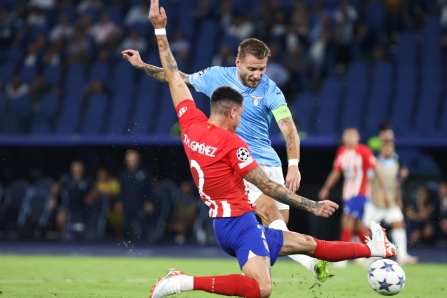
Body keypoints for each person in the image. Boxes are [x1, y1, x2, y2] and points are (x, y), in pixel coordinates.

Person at [143, 4, 396, 297]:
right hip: (240, 224)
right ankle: (181, 282)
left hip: (227, 222)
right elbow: (268, 187)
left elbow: (174, 77)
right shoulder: (233, 145)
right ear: (234, 112)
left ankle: (374, 248)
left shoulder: (190, 125)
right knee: (263, 286)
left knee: (306, 243)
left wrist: (159, 30)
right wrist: (311, 205)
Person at [122, 27, 325, 281]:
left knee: (274, 238)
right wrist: (142, 65)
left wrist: (293, 165)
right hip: (242, 163)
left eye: (262, 69)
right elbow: (177, 78)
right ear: (238, 62)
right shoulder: (216, 76)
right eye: (252, 69)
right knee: (271, 215)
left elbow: (289, 130)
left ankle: (258, 284)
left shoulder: (271, 90)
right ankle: (311, 262)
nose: (257, 75)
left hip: (272, 164)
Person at [318, 128, 390, 267]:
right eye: (347, 135)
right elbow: (336, 172)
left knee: (346, 221)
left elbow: (377, 171)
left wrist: (384, 192)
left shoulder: (364, 151)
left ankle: (342, 257)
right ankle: (375, 251)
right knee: (358, 226)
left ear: (358, 137)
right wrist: (326, 188)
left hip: (360, 193)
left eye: (352, 135)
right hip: (348, 194)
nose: (349, 137)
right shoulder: (342, 152)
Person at [364, 142, 418, 264]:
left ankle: (402, 256)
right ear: (382, 149)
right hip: (374, 203)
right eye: (387, 147)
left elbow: (396, 183)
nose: (389, 150)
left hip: (390, 202)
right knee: (367, 229)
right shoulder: (374, 162)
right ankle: (367, 256)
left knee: (398, 223)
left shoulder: (395, 163)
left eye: (391, 148)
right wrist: (376, 197)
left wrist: (398, 199)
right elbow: (369, 182)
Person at [50, 160, 94, 240]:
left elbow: (95, 191)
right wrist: (53, 200)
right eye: (75, 169)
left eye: (79, 169)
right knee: (60, 217)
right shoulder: (66, 179)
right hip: (67, 206)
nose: (77, 171)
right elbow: (56, 187)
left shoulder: (87, 181)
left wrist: (90, 196)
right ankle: (64, 237)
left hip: (82, 208)